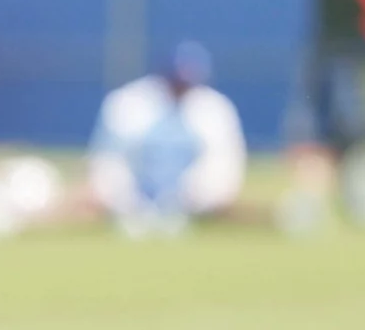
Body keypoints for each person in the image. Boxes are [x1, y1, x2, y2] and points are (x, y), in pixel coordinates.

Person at [86, 42, 246, 236]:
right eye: (176, 82)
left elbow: (226, 162)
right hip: (134, 198)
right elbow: (108, 157)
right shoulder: (129, 101)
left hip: (189, 201)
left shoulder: (213, 106)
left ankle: (178, 214)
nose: (180, 89)